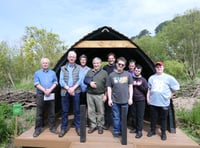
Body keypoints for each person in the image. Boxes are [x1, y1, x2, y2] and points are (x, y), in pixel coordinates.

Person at [146, 61, 180, 141]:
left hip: (164, 102)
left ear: (163, 68)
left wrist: (171, 95)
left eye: (160, 67)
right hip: (153, 102)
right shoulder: (151, 78)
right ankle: (152, 130)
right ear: (155, 68)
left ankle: (163, 133)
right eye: (157, 67)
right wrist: (148, 98)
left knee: (163, 119)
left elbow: (176, 87)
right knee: (153, 118)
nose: (159, 68)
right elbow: (149, 89)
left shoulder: (169, 78)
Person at [107, 57, 133, 137]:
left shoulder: (128, 74)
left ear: (124, 66)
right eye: (119, 64)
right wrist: (109, 99)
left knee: (124, 118)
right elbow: (109, 87)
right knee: (116, 117)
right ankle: (116, 131)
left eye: (122, 65)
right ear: (116, 64)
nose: (120, 66)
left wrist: (130, 98)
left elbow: (130, 86)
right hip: (115, 101)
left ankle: (123, 131)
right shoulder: (111, 75)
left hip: (125, 101)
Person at [33, 58, 58, 137]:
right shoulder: (37, 73)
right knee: (39, 113)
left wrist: (50, 90)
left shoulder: (53, 73)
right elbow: (36, 84)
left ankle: (52, 128)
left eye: (46, 63)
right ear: (41, 64)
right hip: (41, 94)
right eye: (44, 63)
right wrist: (44, 90)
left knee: (51, 112)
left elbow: (55, 82)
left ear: (48, 64)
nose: (45, 64)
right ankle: (38, 129)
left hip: (50, 94)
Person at [59, 51, 82, 137]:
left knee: (77, 110)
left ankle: (78, 127)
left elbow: (80, 80)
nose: (72, 58)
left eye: (73, 57)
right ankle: (63, 128)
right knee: (65, 111)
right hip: (65, 91)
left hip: (76, 91)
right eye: (70, 56)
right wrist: (68, 88)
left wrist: (73, 88)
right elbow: (61, 81)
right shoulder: (62, 68)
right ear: (68, 58)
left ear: (75, 58)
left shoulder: (79, 67)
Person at [85, 57, 108, 134]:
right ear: (93, 64)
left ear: (100, 64)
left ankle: (100, 126)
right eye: (94, 63)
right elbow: (85, 80)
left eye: (97, 63)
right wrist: (90, 83)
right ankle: (93, 125)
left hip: (100, 95)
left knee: (100, 111)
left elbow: (107, 85)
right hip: (90, 94)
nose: (96, 64)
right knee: (91, 111)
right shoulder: (89, 71)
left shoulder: (104, 72)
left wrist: (106, 95)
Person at [129, 64, 148, 138]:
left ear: (140, 71)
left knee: (140, 116)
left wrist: (139, 86)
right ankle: (134, 127)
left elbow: (146, 91)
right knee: (133, 115)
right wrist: (133, 85)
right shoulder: (131, 78)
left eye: (138, 71)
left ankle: (139, 131)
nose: (137, 72)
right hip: (133, 99)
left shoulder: (143, 80)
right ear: (134, 70)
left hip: (141, 100)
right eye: (136, 70)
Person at [103, 52, 116, 130]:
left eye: (112, 58)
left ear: (114, 59)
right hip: (107, 89)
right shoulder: (105, 67)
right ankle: (107, 123)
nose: (111, 60)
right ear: (107, 59)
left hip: (115, 90)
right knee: (107, 108)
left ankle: (115, 124)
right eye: (109, 58)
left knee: (115, 108)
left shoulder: (117, 67)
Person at [79, 54, 90, 126]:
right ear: (80, 61)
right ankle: (79, 120)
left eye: (84, 60)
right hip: (78, 90)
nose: (83, 61)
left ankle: (86, 121)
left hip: (87, 90)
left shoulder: (89, 69)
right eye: (82, 60)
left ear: (86, 61)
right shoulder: (76, 68)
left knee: (87, 106)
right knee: (78, 106)